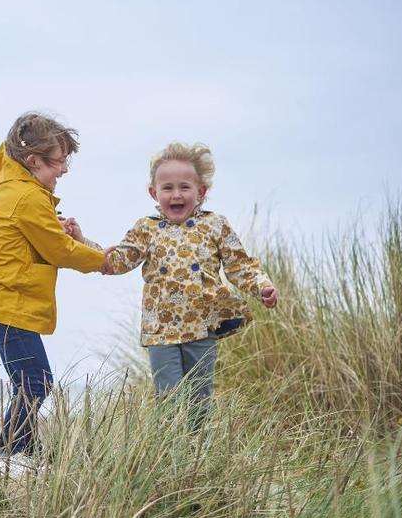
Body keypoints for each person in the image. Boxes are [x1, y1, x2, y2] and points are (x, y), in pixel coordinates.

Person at [82, 142, 277, 428]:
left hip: (202, 327)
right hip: (161, 330)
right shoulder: (146, 228)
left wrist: (262, 285)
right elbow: (118, 261)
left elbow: (239, 265)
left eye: (184, 187)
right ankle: (170, 459)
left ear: (201, 192)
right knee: (169, 399)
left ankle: (198, 458)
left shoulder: (215, 225)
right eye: (168, 188)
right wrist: (80, 241)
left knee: (200, 399)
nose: (176, 194)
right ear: (154, 193)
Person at [0, 112, 106, 476]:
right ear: (33, 161)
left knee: (30, 381)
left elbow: (29, 242)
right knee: (36, 381)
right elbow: (61, 252)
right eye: (58, 162)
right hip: (8, 305)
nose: (63, 171)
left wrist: (54, 231)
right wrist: (103, 260)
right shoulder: (28, 197)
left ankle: (24, 451)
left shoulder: (9, 191)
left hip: (0, 303)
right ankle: (10, 454)